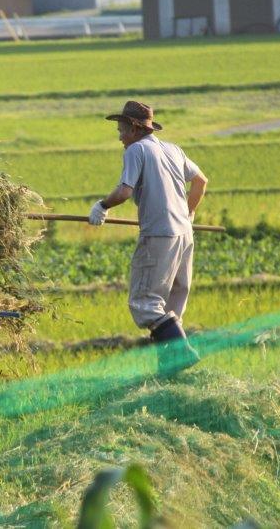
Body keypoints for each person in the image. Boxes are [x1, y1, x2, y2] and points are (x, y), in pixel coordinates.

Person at [88, 101, 207, 372]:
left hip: (158, 235)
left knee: (144, 303)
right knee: (170, 305)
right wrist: (187, 213)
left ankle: (182, 354)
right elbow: (201, 181)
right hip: (184, 236)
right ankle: (169, 366)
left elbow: (124, 191)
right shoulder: (172, 149)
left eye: (121, 130)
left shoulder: (136, 150)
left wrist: (102, 206)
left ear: (133, 128)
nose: (119, 136)